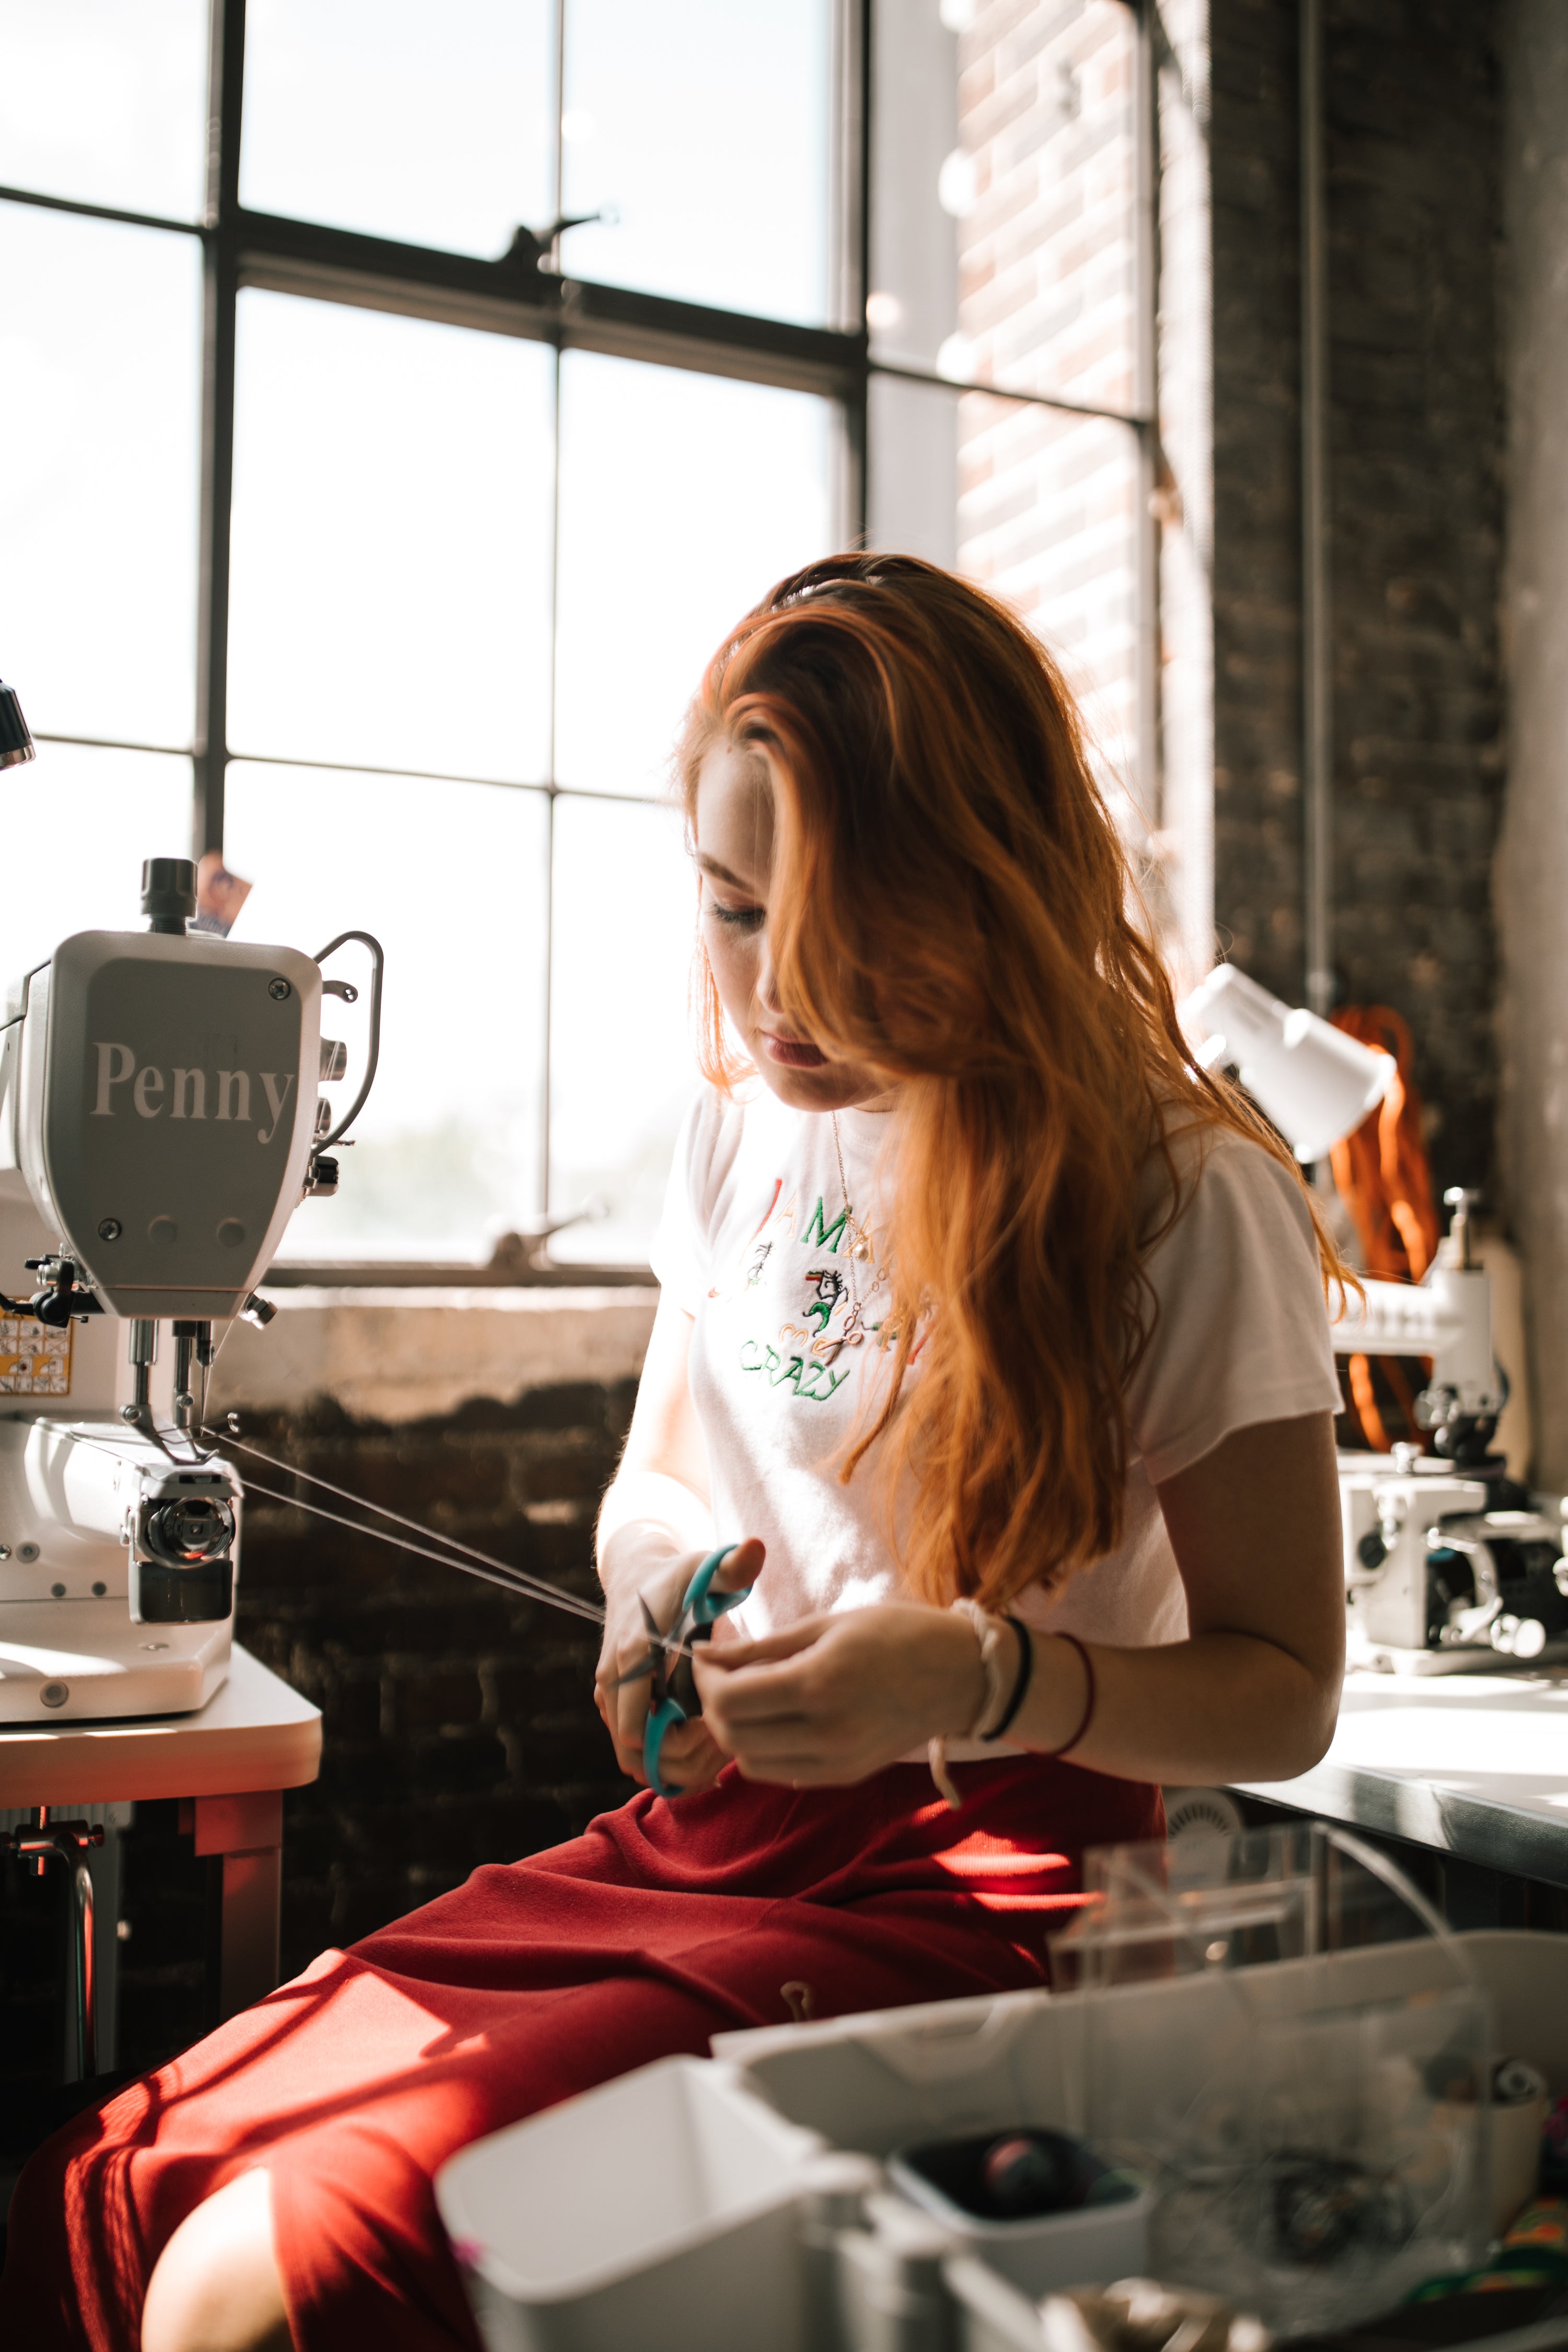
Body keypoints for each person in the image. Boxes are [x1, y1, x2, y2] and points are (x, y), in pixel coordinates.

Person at [0, 555, 1347, 2352]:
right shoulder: (746, 1136)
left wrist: (977, 1672)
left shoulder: (1189, 1194)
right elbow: (662, 1486)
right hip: (705, 1841)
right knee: (114, 2173)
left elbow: (1285, 1694)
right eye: (729, 908)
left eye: (837, 920)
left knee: (267, 2282)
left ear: (982, 888)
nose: (773, 985)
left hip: (992, 1905)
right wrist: (648, 1599)